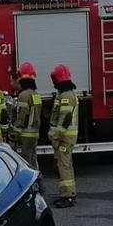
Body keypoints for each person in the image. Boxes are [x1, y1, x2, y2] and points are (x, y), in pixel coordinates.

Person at [48, 65, 80, 208]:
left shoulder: (66, 96)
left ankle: (67, 196)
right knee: (67, 164)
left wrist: (56, 136)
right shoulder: (67, 94)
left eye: (54, 79)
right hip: (67, 137)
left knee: (64, 165)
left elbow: (64, 119)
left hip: (64, 138)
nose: (53, 83)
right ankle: (69, 193)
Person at [10, 62, 43, 166]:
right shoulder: (36, 94)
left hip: (26, 135)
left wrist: (14, 134)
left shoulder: (23, 95)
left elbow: (21, 117)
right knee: (33, 159)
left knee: (26, 161)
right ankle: (38, 179)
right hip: (35, 133)